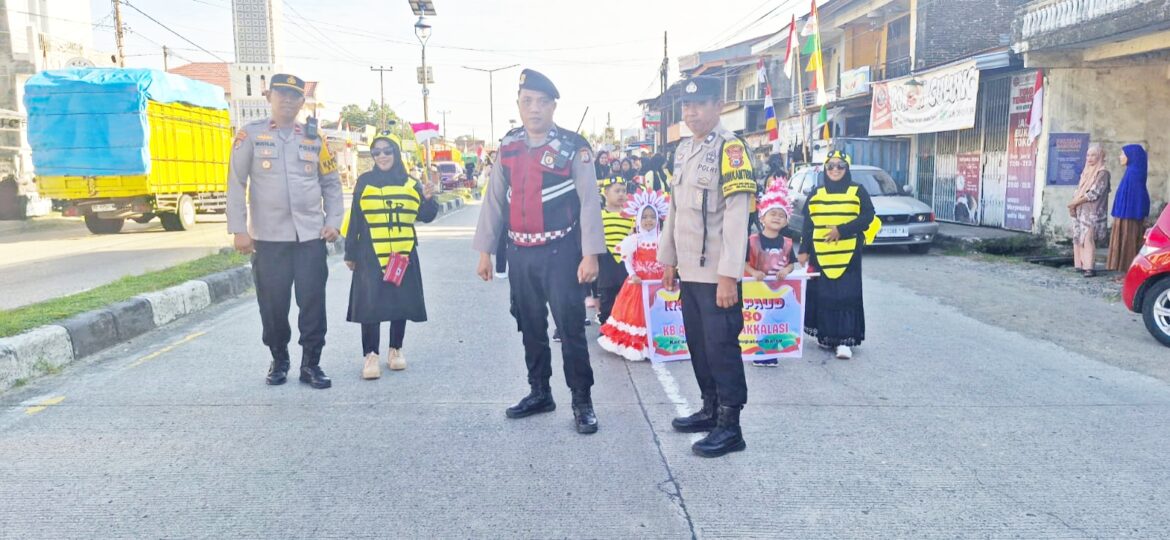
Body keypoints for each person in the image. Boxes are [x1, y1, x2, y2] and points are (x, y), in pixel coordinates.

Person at [473, 68, 605, 434]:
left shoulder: (572, 146)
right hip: (520, 253)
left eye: (542, 102)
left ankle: (582, 401)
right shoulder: (509, 146)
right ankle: (539, 392)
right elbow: (494, 201)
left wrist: (590, 253)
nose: (534, 109)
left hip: (561, 252)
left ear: (553, 106)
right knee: (529, 324)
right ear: (518, 104)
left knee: (570, 327)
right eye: (527, 101)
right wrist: (485, 250)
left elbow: (590, 201)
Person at [659, 76, 756, 458]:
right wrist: (669, 260)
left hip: (718, 275)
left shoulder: (731, 150)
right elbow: (674, 210)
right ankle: (710, 408)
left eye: (699, 105)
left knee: (721, 348)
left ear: (719, 107)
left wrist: (729, 275)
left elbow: (736, 217)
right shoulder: (683, 150)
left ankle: (730, 426)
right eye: (686, 106)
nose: (691, 112)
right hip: (689, 271)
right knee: (698, 345)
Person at [227, 73, 344, 389]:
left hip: (310, 237)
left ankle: (311, 364)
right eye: (282, 95)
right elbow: (236, 183)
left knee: (313, 302)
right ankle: (279, 359)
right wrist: (239, 229)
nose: (288, 101)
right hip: (268, 238)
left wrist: (333, 221)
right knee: (273, 304)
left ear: (302, 102)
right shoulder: (250, 135)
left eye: (294, 96)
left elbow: (331, 183)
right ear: (269, 97)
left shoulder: (315, 138)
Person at [343, 133, 439, 380]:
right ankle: (370, 355)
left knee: (400, 302)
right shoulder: (364, 182)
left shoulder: (411, 183)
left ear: (396, 154)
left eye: (387, 151)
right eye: (377, 152)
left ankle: (395, 350)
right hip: (370, 252)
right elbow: (355, 219)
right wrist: (350, 252)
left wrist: (429, 198)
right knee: (370, 304)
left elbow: (426, 216)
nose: (382, 156)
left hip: (402, 253)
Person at [799, 150, 875, 361]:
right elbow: (808, 224)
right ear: (825, 169)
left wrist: (842, 230)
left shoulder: (857, 191)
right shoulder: (816, 193)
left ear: (847, 169)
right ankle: (827, 336)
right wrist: (803, 250)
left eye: (840, 166)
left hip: (848, 253)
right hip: (820, 253)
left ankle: (844, 341)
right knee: (824, 295)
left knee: (845, 295)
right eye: (830, 166)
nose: (835, 170)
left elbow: (868, 217)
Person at [598, 190, 669, 361]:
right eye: (644, 217)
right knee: (636, 315)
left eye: (652, 216)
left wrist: (668, 272)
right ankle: (638, 345)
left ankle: (662, 343)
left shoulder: (663, 239)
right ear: (638, 219)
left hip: (658, 285)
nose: (648, 220)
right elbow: (627, 259)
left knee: (659, 314)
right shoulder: (634, 240)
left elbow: (668, 259)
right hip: (638, 285)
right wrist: (632, 274)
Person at [745, 179, 797, 368]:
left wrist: (786, 270)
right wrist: (753, 271)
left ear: (786, 220)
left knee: (775, 322)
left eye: (781, 215)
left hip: (776, 292)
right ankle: (756, 351)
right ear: (762, 217)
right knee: (758, 323)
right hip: (756, 293)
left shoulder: (787, 242)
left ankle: (772, 351)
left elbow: (791, 264)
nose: (776, 218)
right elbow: (743, 263)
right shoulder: (751, 240)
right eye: (772, 213)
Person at [1068, 143, 1111, 278]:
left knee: (1088, 238)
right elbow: (1079, 189)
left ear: (1099, 156)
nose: (1090, 158)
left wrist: (1074, 203)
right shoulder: (1086, 171)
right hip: (1080, 209)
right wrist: (1073, 204)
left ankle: (1089, 268)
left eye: (1093, 155)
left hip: (1093, 211)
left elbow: (1094, 193)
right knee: (1078, 237)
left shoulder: (1103, 173)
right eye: (1088, 155)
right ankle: (1079, 265)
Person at [1108, 144, 1150, 273]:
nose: (1120, 157)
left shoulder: (1134, 174)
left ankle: (1128, 271)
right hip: (1126, 213)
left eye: (1123, 154)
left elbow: (1136, 197)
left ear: (1131, 156)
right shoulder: (1132, 171)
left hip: (1129, 215)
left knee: (1128, 241)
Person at [597, 177, 634, 325]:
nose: (621, 195)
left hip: (626, 261)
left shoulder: (630, 216)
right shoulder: (600, 215)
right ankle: (606, 325)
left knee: (627, 295)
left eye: (623, 191)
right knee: (607, 297)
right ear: (606, 193)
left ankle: (625, 326)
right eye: (616, 191)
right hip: (607, 260)